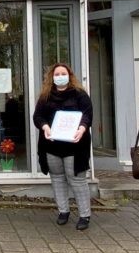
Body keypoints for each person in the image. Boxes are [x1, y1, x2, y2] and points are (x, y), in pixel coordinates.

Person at [33, 63, 94, 230]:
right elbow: (37, 116)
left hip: (75, 145)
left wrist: (82, 129)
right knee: (57, 178)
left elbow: (88, 114)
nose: (60, 76)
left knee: (77, 180)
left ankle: (84, 215)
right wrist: (45, 126)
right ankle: (63, 211)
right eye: (57, 74)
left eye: (63, 73)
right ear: (52, 78)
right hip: (52, 145)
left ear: (70, 75)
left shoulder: (80, 95)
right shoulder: (45, 96)